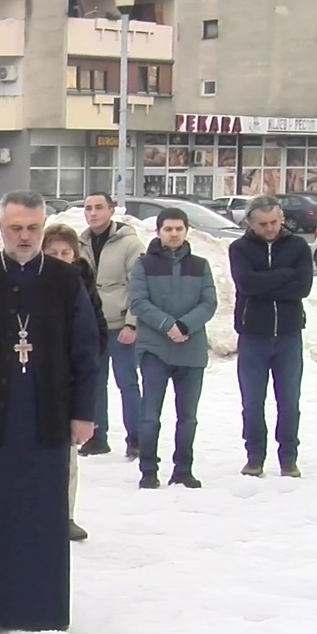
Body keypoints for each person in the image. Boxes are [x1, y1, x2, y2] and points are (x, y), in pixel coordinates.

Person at [0, 192, 99, 631]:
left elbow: (86, 349)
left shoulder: (65, 281)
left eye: (32, 228)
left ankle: (37, 607)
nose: (24, 237)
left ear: (42, 227)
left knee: (39, 514)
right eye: (15, 229)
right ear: (2, 230)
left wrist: (85, 412)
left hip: (46, 412)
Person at [128, 207, 217, 490]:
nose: (174, 234)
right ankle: (148, 470)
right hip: (155, 349)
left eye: (179, 229)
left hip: (191, 351)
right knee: (150, 414)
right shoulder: (144, 265)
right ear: (158, 232)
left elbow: (209, 303)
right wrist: (168, 325)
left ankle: (183, 469)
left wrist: (185, 326)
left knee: (187, 416)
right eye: (168, 229)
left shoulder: (200, 265)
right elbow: (139, 302)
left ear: (186, 231)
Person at [229, 196, 313, 479]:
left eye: (275, 222)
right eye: (263, 224)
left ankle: (288, 457)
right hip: (253, 335)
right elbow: (246, 284)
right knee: (252, 401)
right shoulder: (239, 248)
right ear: (251, 224)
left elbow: (302, 287)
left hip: (289, 335)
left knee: (289, 401)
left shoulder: (298, 246)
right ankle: (255, 456)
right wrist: (283, 276)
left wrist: (266, 282)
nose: (270, 228)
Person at [42, 225, 105, 542]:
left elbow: (97, 332)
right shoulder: (33, 284)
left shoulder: (83, 286)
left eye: (65, 253)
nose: (60, 258)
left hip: (69, 380)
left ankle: (65, 514)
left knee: (67, 454)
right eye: (53, 253)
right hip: (38, 377)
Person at [75, 192, 143, 458]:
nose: (93, 213)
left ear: (111, 211)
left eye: (99, 207)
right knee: (94, 382)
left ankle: (136, 437)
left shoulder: (130, 243)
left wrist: (132, 323)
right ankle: (97, 436)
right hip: (93, 325)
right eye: (88, 208)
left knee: (127, 382)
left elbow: (139, 285)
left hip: (121, 324)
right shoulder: (81, 243)